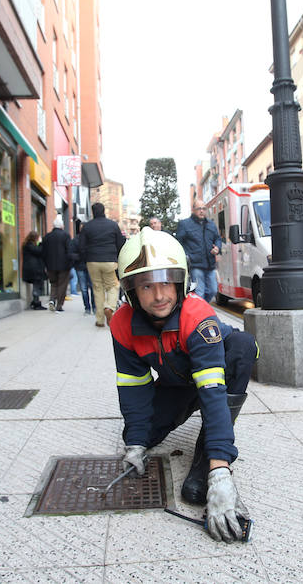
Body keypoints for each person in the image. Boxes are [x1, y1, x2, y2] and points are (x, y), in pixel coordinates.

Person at [110, 227, 257, 542]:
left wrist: (219, 471)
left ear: (181, 282)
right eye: (146, 285)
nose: (159, 296)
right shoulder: (122, 324)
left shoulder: (197, 316)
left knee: (244, 345)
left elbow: (213, 392)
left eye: (166, 282)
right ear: (130, 290)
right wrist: (136, 443)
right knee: (142, 436)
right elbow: (133, 385)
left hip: (215, 372)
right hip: (178, 383)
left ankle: (205, 458)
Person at [78, 202, 126, 327]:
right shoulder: (113, 225)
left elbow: (81, 246)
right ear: (104, 211)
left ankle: (100, 320)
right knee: (113, 286)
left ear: (92, 212)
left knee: (97, 289)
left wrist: (86, 259)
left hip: (92, 261)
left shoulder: (87, 226)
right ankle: (109, 307)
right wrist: (118, 258)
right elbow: (120, 244)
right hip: (109, 260)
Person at [176, 199, 222, 302]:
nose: (202, 211)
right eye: (199, 209)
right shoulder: (185, 224)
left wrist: (217, 248)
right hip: (195, 264)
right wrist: (187, 256)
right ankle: (202, 310)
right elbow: (179, 242)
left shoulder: (211, 224)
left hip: (210, 264)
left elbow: (217, 238)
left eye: (204, 209)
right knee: (200, 292)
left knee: (213, 290)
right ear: (193, 210)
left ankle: (202, 307)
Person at [42, 217, 72, 312]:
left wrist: (45, 264)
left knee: (53, 284)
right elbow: (69, 250)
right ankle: (59, 305)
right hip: (64, 265)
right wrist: (70, 263)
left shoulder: (47, 236)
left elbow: (43, 252)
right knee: (62, 285)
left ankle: (52, 300)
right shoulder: (66, 235)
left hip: (50, 265)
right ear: (62, 226)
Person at [71, 219, 96, 315]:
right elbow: (71, 253)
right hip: (81, 266)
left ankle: (92, 307)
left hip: (89, 266)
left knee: (91, 288)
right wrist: (80, 257)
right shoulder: (76, 240)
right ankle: (88, 307)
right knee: (85, 288)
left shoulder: (91, 240)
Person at [22, 231, 47, 310]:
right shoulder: (29, 245)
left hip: (34, 269)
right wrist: (41, 243)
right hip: (33, 269)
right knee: (37, 286)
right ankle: (36, 303)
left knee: (38, 285)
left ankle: (35, 302)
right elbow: (38, 251)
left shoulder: (29, 245)